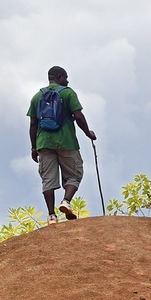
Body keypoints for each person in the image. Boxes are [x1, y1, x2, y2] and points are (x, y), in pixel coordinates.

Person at [26, 66, 97, 223]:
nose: (67, 81)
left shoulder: (36, 97)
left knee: (48, 179)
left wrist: (33, 147)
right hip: (67, 141)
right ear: (59, 77)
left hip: (44, 143)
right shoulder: (68, 92)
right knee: (74, 174)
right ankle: (66, 201)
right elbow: (78, 116)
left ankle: (51, 215)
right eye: (65, 78)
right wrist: (88, 133)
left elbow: (33, 124)